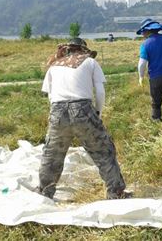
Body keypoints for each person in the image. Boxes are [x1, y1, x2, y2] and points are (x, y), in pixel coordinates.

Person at [38, 38, 131, 200]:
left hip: (57, 111)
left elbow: (50, 95)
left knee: (52, 155)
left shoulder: (54, 65)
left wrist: (56, 114)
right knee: (103, 151)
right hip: (82, 108)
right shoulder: (90, 63)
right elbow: (100, 92)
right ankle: (116, 192)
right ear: (83, 50)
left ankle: (45, 191)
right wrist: (97, 112)